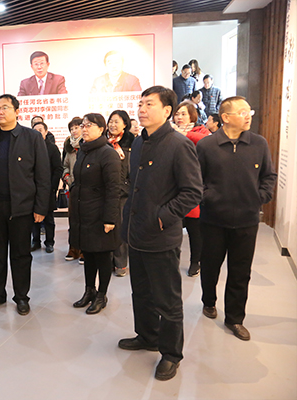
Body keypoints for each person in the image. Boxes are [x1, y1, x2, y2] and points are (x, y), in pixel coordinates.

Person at [119, 86, 202, 381]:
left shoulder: (179, 145)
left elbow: (192, 192)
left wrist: (161, 217)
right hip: (136, 232)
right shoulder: (139, 141)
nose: (142, 109)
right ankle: (147, 336)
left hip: (160, 235)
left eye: (149, 104)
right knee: (140, 292)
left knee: (167, 299)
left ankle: (171, 354)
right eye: (140, 104)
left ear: (167, 111)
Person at [197, 96, 277, 341]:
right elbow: (195, 180)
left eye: (249, 111)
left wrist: (259, 197)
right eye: (242, 112)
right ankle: (209, 301)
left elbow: (268, 176)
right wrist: (209, 197)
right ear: (226, 117)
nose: (248, 115)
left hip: (247, 220)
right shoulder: (207, 145)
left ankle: (235, 318)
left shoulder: (258, 143)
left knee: (241, 271)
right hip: (213, 219)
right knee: (210, 266)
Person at [0, 94, 50, 316]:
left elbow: (43, 176)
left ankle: (21, 297)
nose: (0, 111)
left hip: (22, 207)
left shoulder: (32, 137)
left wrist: (40, 208)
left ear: (17, 111)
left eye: (5, 107)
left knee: (20, 254)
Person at [69, 113, 121, 315]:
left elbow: (113, 189)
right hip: (83, 213)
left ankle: (102, 294)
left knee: (102, 255)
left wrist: (110, 218)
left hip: (100, 214)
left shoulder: (108, 154)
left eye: (89, 125)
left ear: (101, 129)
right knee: (88, 253)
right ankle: (89, 290)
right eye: (83, 125)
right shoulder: (83, 151)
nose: (84, 128)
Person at [171, 101, 211, 277]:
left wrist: (182, 133)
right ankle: (172, 261)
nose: (179, 117)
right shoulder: (169, 133)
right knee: (173, 230)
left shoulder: (201, 131)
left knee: (195, 230)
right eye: (177, 114)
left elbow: (205, 143)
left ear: (192, 116)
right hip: (173, 188)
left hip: (194, 187)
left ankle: (196, 261)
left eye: (183, 114)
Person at [106, 110, 134, 277]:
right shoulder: (103, 142)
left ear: (125, 124)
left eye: (116, 121)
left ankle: (121, 262)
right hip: (106, 193)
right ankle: (108, 261)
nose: (112, 125)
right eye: (111, 121)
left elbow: (133, 170)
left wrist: (127, 187)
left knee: (121, 228)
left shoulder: (131, 142)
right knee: (106, 227)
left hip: (124, 193)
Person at [31, 121, 62, 253]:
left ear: (46, 132)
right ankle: (35, 241)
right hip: (32, 189)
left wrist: (52, 187)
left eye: (40, 130)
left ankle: (49, 242)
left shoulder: (52, 148)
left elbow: (58, 169)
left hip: (47, 189)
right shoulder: (29, 147)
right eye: (35, 130)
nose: (37, 132)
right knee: (33, 217)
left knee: (48, 218)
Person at [62, 117, 83, 262]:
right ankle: (73, 249)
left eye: (77, 127)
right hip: (73, 189)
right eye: (72, 129)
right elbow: (64, 166)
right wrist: (67, 178)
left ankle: (84, 250)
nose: (74, 131)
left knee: (85, 221)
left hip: (87, 190)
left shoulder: (88, 146)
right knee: (73, 220)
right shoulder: (69, 148)